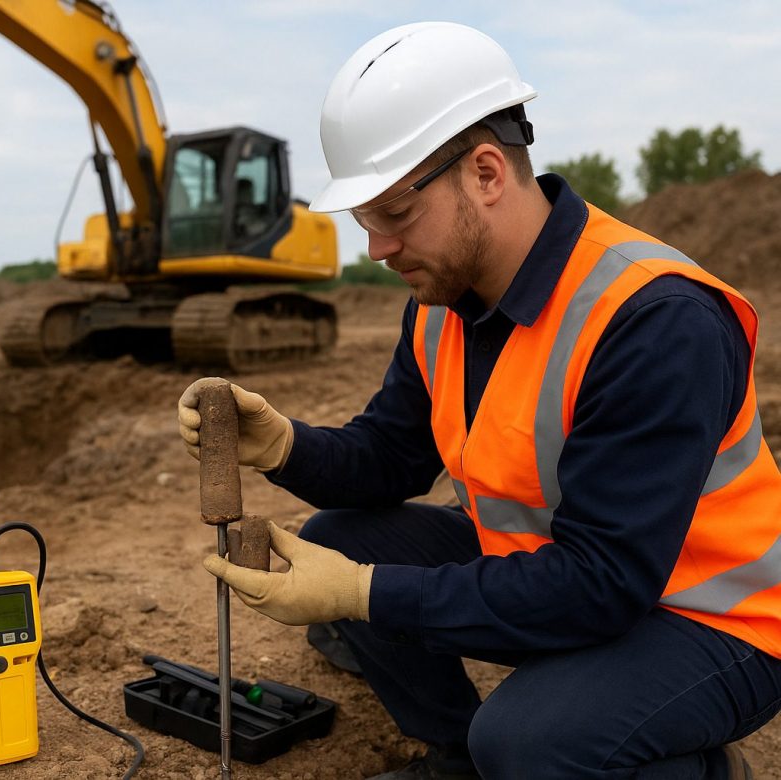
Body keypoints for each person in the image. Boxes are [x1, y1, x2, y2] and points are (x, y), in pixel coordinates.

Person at [178, 22, 781, 779]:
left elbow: (603, 584)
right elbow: (391, 457)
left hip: (712, 618)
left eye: (395, 215)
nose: (377, 249)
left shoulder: (654, 320)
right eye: (366, 221)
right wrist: (284, 446)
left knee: (528, 742)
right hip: (561, 575)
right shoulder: (444, 301)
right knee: (345, 539)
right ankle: (456, 757)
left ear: (487, 172)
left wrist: (365, 596)